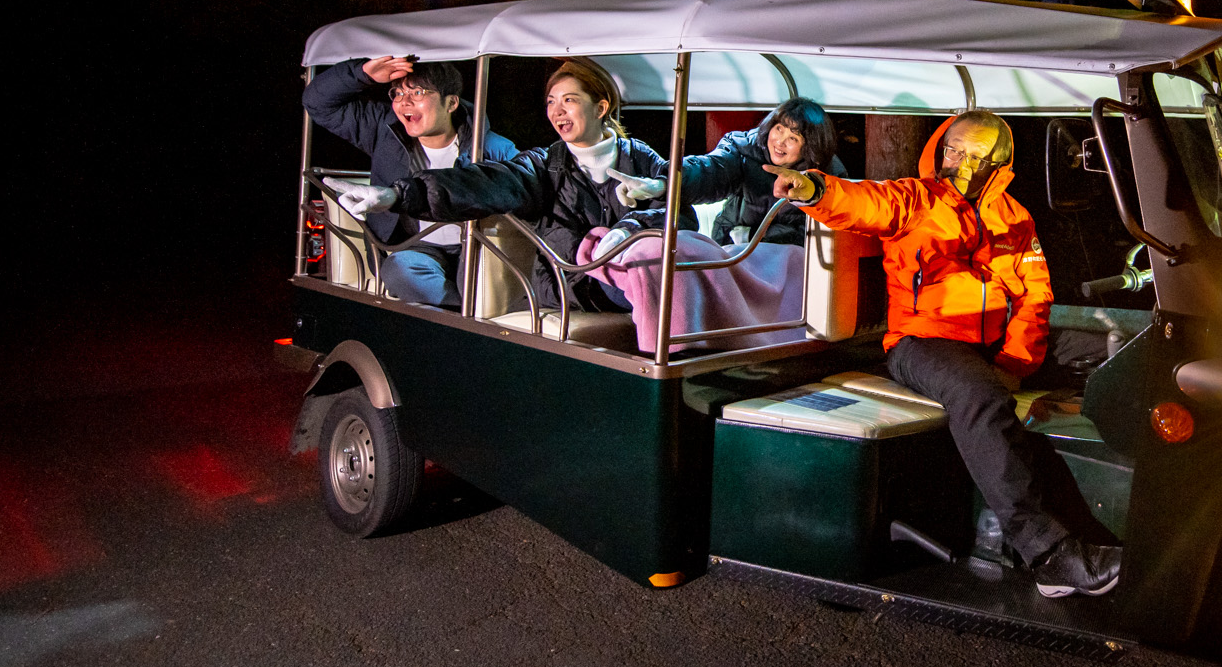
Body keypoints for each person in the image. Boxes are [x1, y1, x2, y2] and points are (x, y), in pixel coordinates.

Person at [763, 109, 1122, 598]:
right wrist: (813, 190)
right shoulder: (914, 198)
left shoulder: (1014, 217)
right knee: (979, 392)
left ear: (999, 162)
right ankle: (1048, 554)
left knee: (1115, 350)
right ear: (940, 148)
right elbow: (862, 202)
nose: (962, 163)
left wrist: (1017, 359)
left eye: (977, 155)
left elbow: (1035, 296)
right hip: (922, 342)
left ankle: (1134, 502)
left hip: (993, 341)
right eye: (955, 150)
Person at [327, 57, 678, 315]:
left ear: (601, 107)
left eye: (568, 100)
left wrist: (633, 224)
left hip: (617, 275)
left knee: (666, 278)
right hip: (571, 282)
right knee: (403, 270)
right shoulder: (543, 164)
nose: (557, 111)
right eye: (551, 102)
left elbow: (680, 212)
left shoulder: (644, 161)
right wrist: (396, 194)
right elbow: (480, 184)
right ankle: (462, 314)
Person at [306, 56, 520, 308]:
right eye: (397, 93)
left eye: (417, 92)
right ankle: (462, 309)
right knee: (399, 271)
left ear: (451, 103)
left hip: (476, 246)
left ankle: (467, 306)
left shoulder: (493, 148)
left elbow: (522, 195)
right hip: (416, 248)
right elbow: (317, 103)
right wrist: (363, 73)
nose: (404, 102)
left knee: (486, 281)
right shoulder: (384, 130)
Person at [615, 98, 847, 247]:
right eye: (779, 128)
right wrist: (665, 183)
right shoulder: (744, 148)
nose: (780, 142)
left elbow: (818, 238)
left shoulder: (826, 173)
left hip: (784, 254)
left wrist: (758, 238)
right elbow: (710, 170)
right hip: (732, 241)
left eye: (793, 138)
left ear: (810, 146)